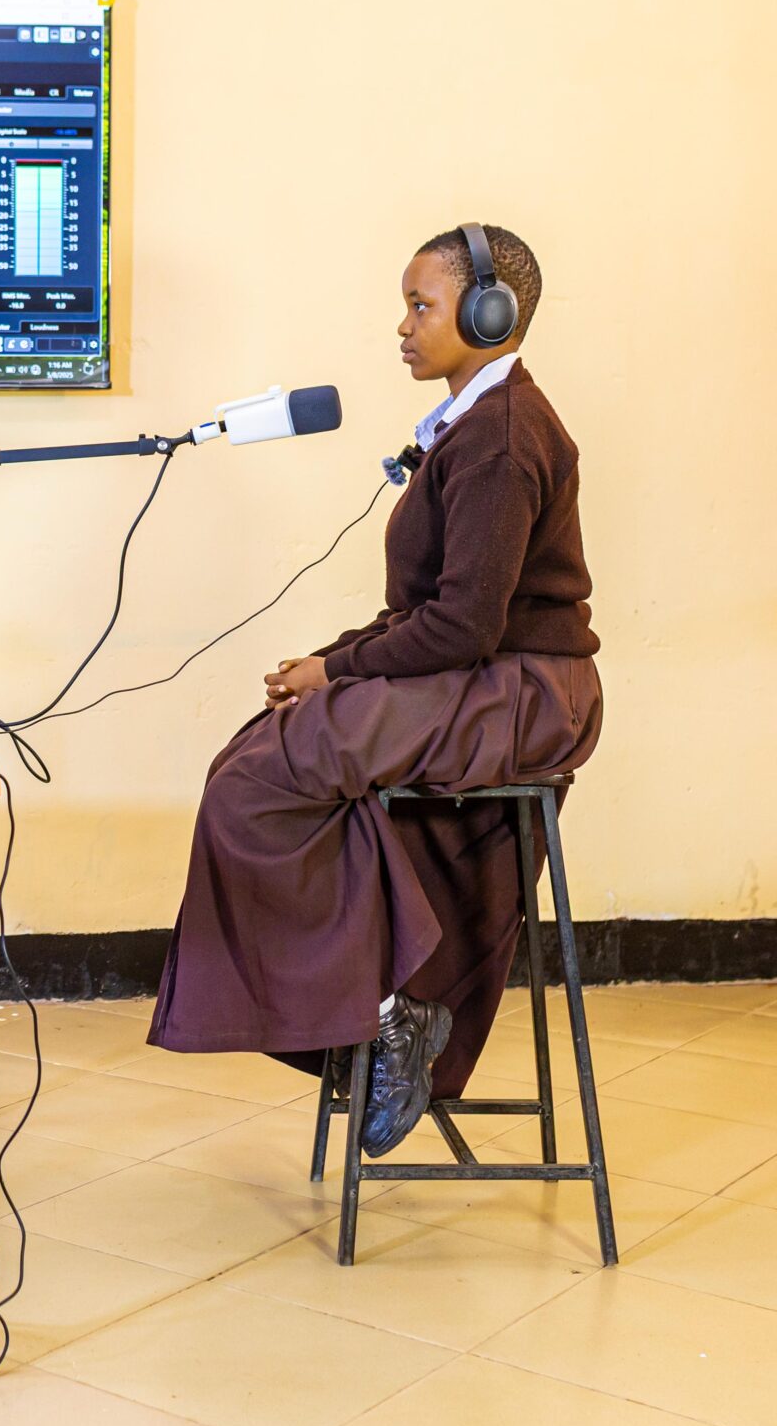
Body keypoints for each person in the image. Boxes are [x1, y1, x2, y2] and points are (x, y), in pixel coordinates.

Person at [147, 223, 600, 1155]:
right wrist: (330, 661)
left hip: (520, 692)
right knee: (268, 751)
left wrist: (337, 671)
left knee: (255, 781)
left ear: (489, 313)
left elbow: (464, 626)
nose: (401, 325)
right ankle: (393, 1013)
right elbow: (434, 612)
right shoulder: (474, 425)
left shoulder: (502, 440)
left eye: (420, 306)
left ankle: (390, 1015)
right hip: (485, 678)